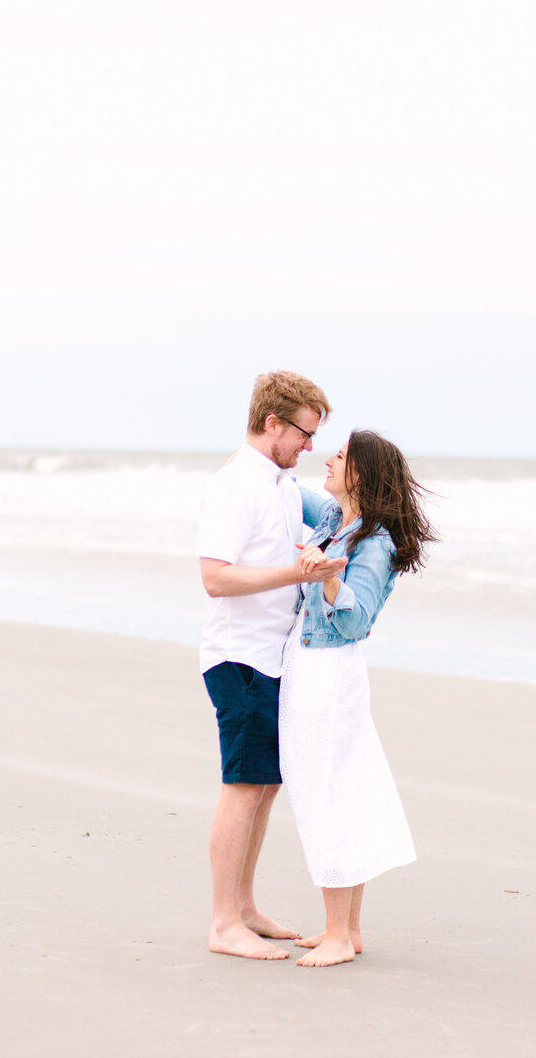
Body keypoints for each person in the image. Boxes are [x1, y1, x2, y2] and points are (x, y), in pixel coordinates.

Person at [198, 371, 347, 961]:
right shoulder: (238, 484)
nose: (309, 447)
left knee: (264, 785)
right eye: (305, 434)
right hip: (239, 657)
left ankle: (245, 907)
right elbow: (216, 578)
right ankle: (221, 923)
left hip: (271, 656)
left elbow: (329, 522)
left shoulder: (281, 482)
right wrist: (296, 574)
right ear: (271, 424)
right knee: (242, 787)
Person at [279, 429, 437, 967]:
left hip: (331, 672)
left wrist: (327, 581)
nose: (326, 459)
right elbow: (283, 487)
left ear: (361, 473)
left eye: (339, 456)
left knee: (328, 793)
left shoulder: (373, 542)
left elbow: (356, 620)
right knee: (337, 786)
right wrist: (262, 453)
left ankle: (337, 937)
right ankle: (348, 929)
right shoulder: (336, 518)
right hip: (309, 667)